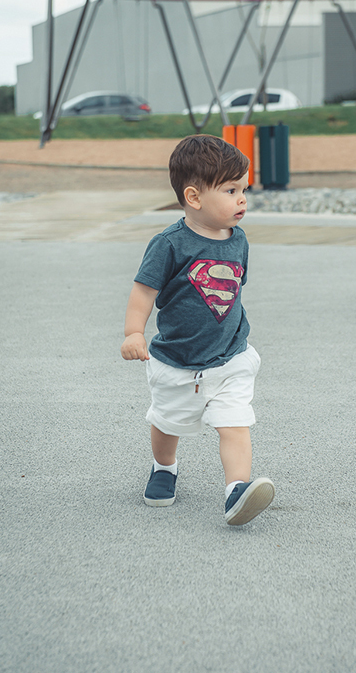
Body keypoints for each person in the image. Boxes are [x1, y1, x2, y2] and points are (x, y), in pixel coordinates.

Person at [120, 135, 274, 526]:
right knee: (167, 423)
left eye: (244, 189)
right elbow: (143, 291)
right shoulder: (170, 245)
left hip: (230, 358)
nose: (242, 199)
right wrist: (134, 332)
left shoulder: (238, 240)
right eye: (231, 190)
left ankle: (236, 490)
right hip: (177, 361)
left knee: (235, 422)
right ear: (194, 197)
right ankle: (164, 468)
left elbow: (234, 292)